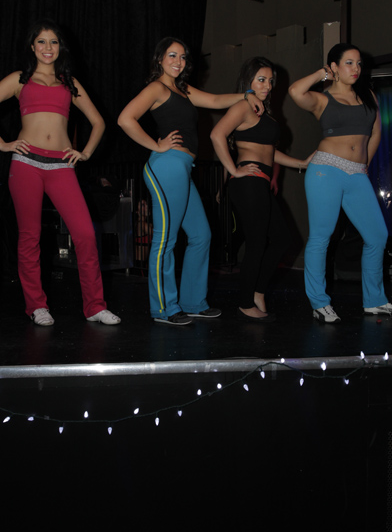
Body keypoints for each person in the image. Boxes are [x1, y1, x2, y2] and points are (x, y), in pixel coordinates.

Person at [118, 37, 263, 325]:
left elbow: (215, 101)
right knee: (165, 240)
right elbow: (125, 119)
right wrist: (156, 145)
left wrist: (246, 95)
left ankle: (193, 302)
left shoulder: (182, 90)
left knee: (201, 236)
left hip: (183, 167)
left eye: (183, 57)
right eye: (172, 55)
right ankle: (163, 308)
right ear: (160, 59)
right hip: (166, 166)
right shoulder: (157, 88)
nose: (178, 61)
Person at [0, 19, 121, 326]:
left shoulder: (68, 82)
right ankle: (36, 306)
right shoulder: (20, 79)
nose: (47, 47)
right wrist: (2, 143)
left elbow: (99, 121)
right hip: (26, 164)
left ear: (60, 47)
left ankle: (95, 306)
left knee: (85, 234)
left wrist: (85, 152)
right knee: (30, 237)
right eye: (41, 41)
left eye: (53, 42)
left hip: (62, 166)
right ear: (32, 46)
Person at [288, 42, 391, 323]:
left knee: (377, 236)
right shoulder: (322, 99)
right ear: (334, 67)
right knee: (321, 237)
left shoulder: (368, 95)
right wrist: (321, 73)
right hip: (326, 170)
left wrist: (364, 166)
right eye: (349, 63)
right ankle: (319, 302)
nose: (356, 68)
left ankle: (374, 300)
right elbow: (295, 91)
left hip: (357, 172)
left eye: (358, 63)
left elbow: (375, 133)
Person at [210, 56, 313, 321]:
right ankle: (246, 302)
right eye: (261, 79)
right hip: (248, 181)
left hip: (260, 181)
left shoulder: (262, 111)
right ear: (248, 81)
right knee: (257, 242)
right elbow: (217, 134)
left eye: (270, 80)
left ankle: (258, 292)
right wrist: (234, 171)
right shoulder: (243, 105)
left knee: (282, 239)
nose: (267, 85)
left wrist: (301, 163)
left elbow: (270, 152)